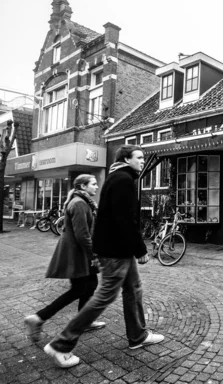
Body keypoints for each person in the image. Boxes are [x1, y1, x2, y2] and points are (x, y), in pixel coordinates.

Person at [43, 145, 164, 368]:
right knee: (104, 296)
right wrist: (140, 249)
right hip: (117, 250)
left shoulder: (117, 177)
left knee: (134, 288)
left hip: (118, 248)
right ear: (126, 159)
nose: (142, 161)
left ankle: (138, 335)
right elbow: (125, 218)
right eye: (138, 157)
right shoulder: (123, 180)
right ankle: (61, 344)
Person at [24, 174, 105, 343]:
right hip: (76, 253)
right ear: (83, 186)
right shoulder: (80, 203)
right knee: (79, 289)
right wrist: (94, 255)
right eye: (94, 184)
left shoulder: (82, 202)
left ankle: (85, 321)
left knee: (91, 284)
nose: (96, 187)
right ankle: (38, 318)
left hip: (78, 251)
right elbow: (82, 235)